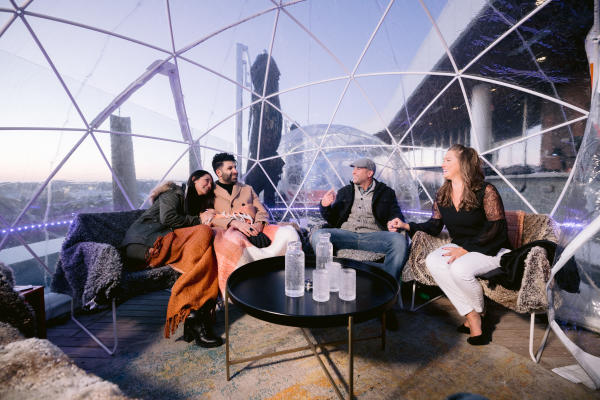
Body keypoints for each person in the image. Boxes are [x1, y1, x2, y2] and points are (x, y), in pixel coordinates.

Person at [392, 144, 512, 345]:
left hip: (491, 247)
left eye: (448, 160)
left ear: (463, 163)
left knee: (459, 269)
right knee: (433, 260)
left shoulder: (486, 190)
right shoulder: (442, 194)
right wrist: (405, 225)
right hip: (460, 245)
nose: (442, 164)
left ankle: (475, 319)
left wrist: (466, 249)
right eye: (443, 160)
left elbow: (496, 229)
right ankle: (473, 313)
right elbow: (434, 225)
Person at [121, 170, 222, 348]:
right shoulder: (173, 193)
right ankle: (196, 315)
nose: (209, 185)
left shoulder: (189, 203)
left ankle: (195, 316)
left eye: (211, 183)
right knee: (204, 235)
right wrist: (200, 219)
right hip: (144, 245)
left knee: (204, 250)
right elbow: (168, 218)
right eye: (206, 180)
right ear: (193, 179)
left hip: (161, 241)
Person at [311, 157, 409, 329]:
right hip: (346, 234)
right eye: (353, 168)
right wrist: (324, 206)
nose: (353, 171)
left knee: (400, 241)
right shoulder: (345, 192)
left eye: (358, 168)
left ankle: (385, 299)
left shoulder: (386, 192)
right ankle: (329, 288)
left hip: (373, 237)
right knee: (319, 235)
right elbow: (333, 220)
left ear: (369, 173)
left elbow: (396, 214)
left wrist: (395, 221)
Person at [209, 153, 300, 295]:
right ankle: (243, 290)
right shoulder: (210, 193)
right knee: (235, 240)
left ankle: (291, 281)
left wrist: (258, 224)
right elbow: (209, 217)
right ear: (218, 172)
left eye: (235, 167)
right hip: (229, 234)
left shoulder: (247, 189)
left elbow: (261, 210)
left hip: (256, 228)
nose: (235, 171)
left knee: (290, 233)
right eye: (230, 168)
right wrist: (234, 223)